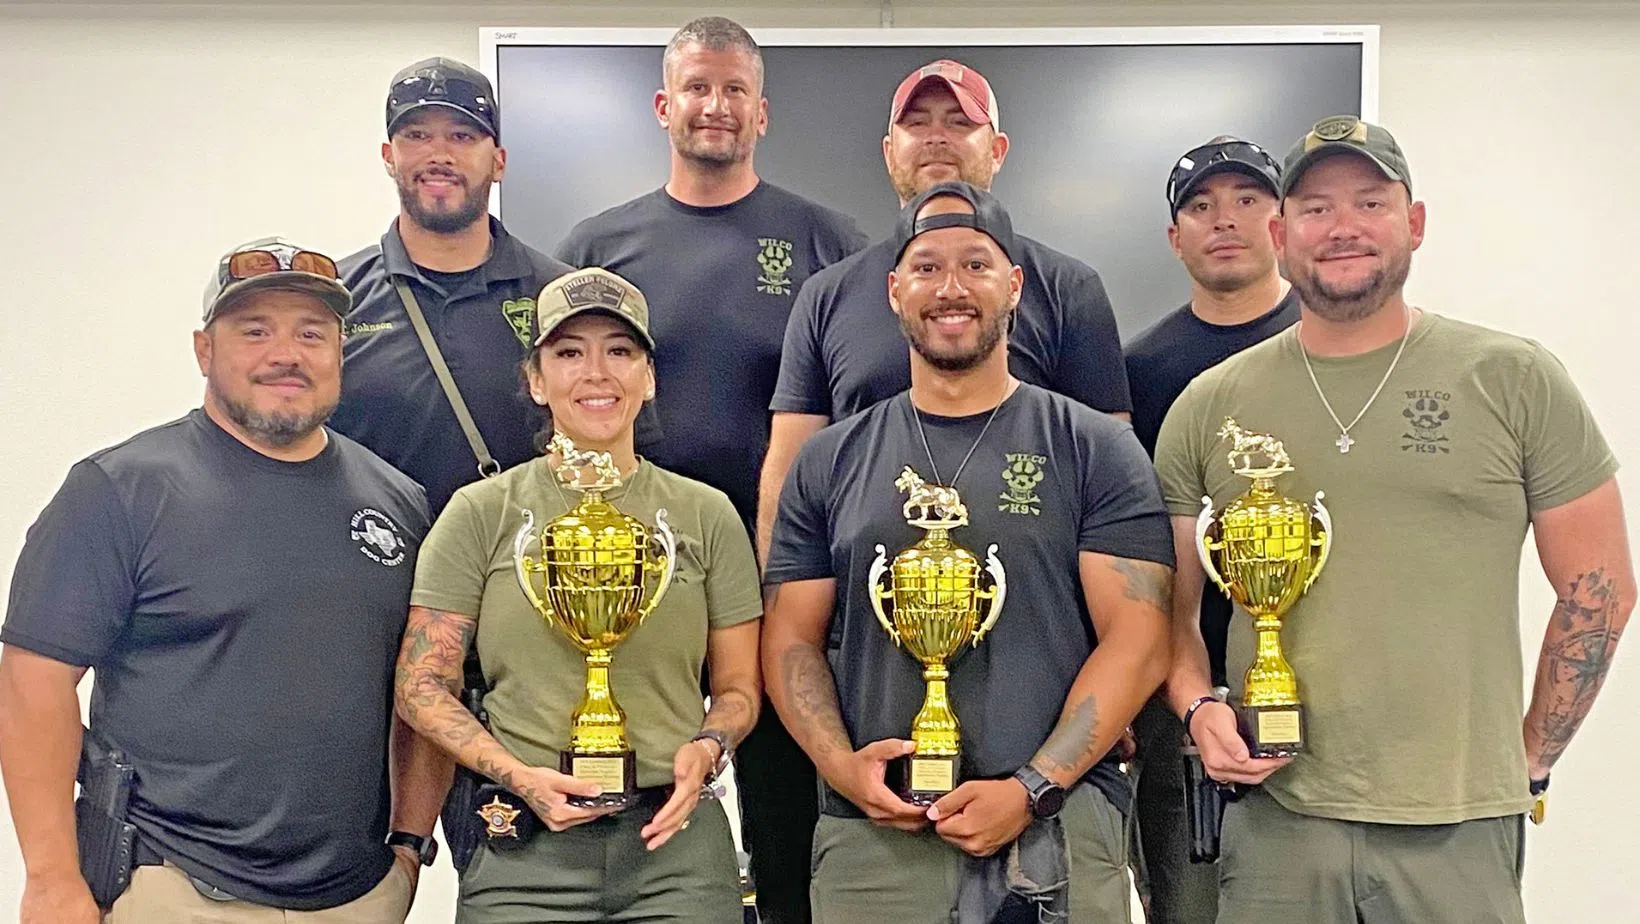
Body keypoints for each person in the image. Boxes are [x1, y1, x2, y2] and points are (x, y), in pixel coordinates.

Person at [1155, 116, 1634, 924]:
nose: (1342, 227)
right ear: (1281, 235)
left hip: (1458, 827)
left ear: (1414, 222)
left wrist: (1530, 756)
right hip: (1276, 826)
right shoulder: (1210, 405)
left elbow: (1602, 587)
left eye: (1370, 203)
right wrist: (1199, 708)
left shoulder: (1514, 378)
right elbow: (1167, 610)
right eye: (1315, 208)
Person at [763, 183, 1174, 923]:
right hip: (875, 845)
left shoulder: (1095, 447)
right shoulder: (828, 460)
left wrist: (1034, 785)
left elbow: (1139, 639)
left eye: (975, 265)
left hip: (1057, 827)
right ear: (895, 291)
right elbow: (791, 636)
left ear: (1013, 286)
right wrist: (842, 768)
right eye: (926, 267)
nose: (950, 289)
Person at [0, 239, 438, 923]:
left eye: (312, 333)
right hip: (174, 887)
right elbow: (33, 682)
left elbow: (423, 686)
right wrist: (52, 879)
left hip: (356, 897)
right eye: (254, 331)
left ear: (340, 352)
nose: (286, 354)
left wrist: (408, 849)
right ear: (204, 351)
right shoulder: (119, 491)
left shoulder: (399, 503)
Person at [554, 20, 865, 922]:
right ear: (665, 105)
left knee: (785, 806)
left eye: (734, 90)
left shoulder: (827, 239)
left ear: (762, 113)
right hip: (631, 575)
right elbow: (565, 396)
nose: (715, 106)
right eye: (697, 87)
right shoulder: (599, 244)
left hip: (786, 574)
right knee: (634, 782)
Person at [395, 267, 764, 923]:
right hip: (523, 853)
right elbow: (422, 684)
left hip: (676, 851)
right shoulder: (480, 512)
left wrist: (709, 746)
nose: (596, 373)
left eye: (619, 351)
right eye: (569, 353)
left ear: (649, 378)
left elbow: (739, 688)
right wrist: (516, 775)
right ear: (537, 381)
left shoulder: (706, 515)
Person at [760, 57, 1131, 565]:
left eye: (959, 123)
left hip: (1031, 592)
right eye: (917, 123)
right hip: (864, 596)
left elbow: (1112, 477)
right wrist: (783, 593)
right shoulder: (826, 296)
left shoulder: (1069, 288)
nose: (936, 138)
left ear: (997, 150)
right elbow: (788, 476)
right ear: (889, 152)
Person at [1121, 135, 1297, 924]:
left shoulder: (1336, 345)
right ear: (1175, 237)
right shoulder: (1140, 370)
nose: (1224, 220)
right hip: (1179, 696)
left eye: (1247, 199)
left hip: (1327, 682)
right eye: (1201, 206)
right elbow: (1124, 546)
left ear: (1281, 219)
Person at [331, 55, 576, 515]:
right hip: (375, 555)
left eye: (462, 136)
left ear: (498, 161)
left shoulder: (560, 297)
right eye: (416, 135)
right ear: (388, 156)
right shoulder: (334, 300)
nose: (439, 155)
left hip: (525, 555)